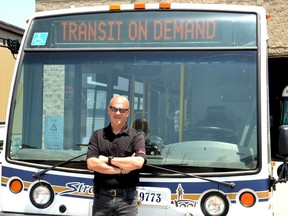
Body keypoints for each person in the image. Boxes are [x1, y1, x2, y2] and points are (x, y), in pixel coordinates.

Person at [86, 95, 146, 216]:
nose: (117, 113)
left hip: (127, 201)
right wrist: (122, 170)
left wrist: (107, 159)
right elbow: (91, 163)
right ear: (109, 110)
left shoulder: (137, 136)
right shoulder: (97, 135)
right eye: (114, 109)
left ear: (127, 113)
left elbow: (138, 163)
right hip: (101, 200)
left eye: (122, 110)